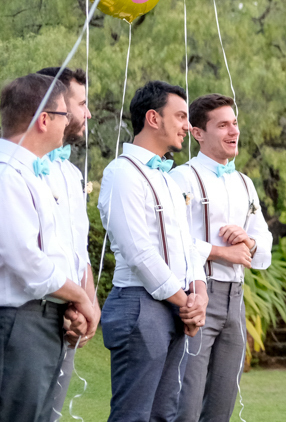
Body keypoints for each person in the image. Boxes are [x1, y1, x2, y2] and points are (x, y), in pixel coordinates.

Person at [100, 81, 208, 422]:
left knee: (164, 414)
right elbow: (138, 252)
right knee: (134, 415)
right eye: (180, 116)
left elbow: (188, 245)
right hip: (139, 304)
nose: (187, 126)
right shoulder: (122, 174)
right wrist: (185, 301)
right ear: (153, 118)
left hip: (175, 303)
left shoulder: (167, 178)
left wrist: (200, 292)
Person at [0, 73, 99, 422]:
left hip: (48, 319)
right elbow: (27, 261)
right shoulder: (7, 175)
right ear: (44, 120)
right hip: (20, 321)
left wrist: (78, 301)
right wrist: (81, 297)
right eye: (64, 114)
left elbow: (66, 252)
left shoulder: (37, 174)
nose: (71, 120)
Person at [170, 94, 272, 422]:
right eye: (223, 125)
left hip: (235, 299)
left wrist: (249, 241)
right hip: (197, 296)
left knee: (222, 404)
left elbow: (264, 242)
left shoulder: (244, 183)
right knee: (185, 403)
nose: (234, 131)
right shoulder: (182, 178)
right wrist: (220, 251)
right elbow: (172, 241)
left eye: (235, 123)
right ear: (198, 133)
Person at [33, 67, 95, 420]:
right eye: (81, 103)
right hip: (31, 311)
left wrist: (89, 304)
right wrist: (79, 299)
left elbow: (78, 249)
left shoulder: (72, 174)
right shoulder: (22, 169)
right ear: (55, 105)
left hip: (69, 316)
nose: (88, 113)